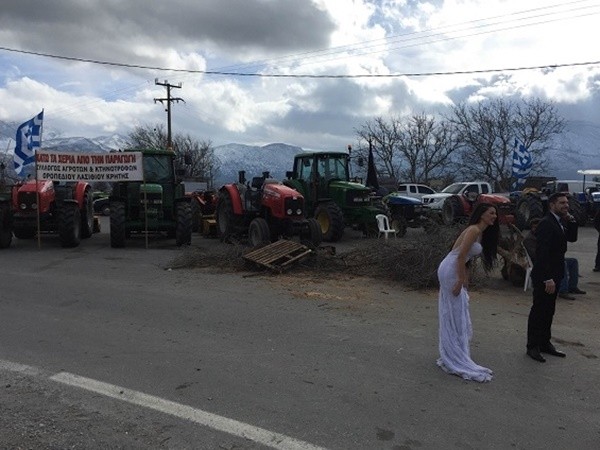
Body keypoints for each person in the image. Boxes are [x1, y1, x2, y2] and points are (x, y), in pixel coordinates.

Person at [437, 203, 499, 382]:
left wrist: (465, 278)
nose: (494, 216)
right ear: (482, 214)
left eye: (495, 213)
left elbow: (467, 259)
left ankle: (456, 350)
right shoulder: (473, 230)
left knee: (458, 311)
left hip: (454, 268)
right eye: (491, 213)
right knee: (454, 312)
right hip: (450, 270)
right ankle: (453, 354)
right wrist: (460, 280)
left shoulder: (480, 232)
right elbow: (460, 255)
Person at [526, 192, 578, 363]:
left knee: (549, 310)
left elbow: (572, 238)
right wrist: (547, 278)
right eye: (562, 202)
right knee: (539, 311)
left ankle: (544, 343)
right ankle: (532, 346)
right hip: (545, 275)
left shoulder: (561, 220)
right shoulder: (546, 223)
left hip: (556, 273)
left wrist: (572, 221)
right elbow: (541, 253)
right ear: (552, 204)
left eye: (567, 203)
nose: (566, 205)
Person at [523, 218, 585, 300]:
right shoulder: (529, 239)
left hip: (551, 258)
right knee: (562, 263)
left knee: (573, 261)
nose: (536, 229)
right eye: (534, 227)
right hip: (540, 261)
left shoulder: (545, 235)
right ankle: (563, 290)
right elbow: (536, 254)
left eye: (538, 227)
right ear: (531, 228)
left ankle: (572, 286)